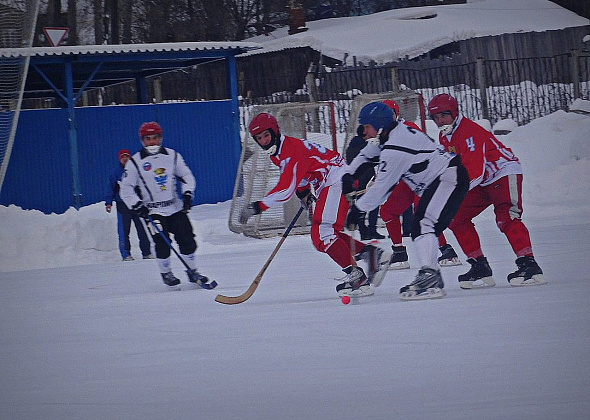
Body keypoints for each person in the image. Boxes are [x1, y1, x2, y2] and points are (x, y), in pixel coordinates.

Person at [239, 113, 391, 298]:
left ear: (275, 132)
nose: (264, 141)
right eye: (259, 138)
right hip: (328, 182)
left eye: (266, 135)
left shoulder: (289, 150)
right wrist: (303, 193)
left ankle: (356, 275)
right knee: (324, 237)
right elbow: (301, 173)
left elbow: (286, 188)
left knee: (322, 233)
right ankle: (369, 256)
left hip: (335, 180)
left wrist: (258, 206)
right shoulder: (279, 152)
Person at [345, 102, 469, 300]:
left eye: (367, 126)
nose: (364, 132)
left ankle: (430, 276)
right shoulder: (392, 134)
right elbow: (369, 153)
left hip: (447, 178)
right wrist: (349, 175)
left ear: (379, 124)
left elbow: (381, 189)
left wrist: (358, 210)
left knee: (423, 224)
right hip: (442, 179)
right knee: (422, 226)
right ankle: (431, 273)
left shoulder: (395, 147)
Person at [427, 93, 547, 288]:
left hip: (502, 172)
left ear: (455, 113)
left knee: (506, 216)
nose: (440, 121)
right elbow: (453, 165)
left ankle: (528, 263)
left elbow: (474, 169)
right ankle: (479, 265)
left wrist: (452, 192)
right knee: (455, 217)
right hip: (482, 180)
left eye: (444, 115)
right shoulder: (444, 135)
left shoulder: (469, 132)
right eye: (436, 117)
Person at [119, 121, 214, 289]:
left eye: (155, 138)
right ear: (142, 140)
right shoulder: (135, 162)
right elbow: (126, 188)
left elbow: (186, 176)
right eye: (148, 139)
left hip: (175, 207)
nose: (152, 142)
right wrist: (136, 205)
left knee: (188, 240)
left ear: (160, 138)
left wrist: (187, 193)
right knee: (162, 243)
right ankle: (166, 273)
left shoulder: (172, 156)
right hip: (152, 211)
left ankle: (192, 272)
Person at [105, 149, 153, 261]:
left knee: (142, 229)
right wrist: (109, 202)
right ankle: (126, 254)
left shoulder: (136, 170)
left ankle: (146, 252)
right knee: (124, 231)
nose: (125, 159)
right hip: (122, 206)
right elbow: (110, 188)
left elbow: (143, 185)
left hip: (136, 204)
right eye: (123, 157)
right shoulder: (115, 173)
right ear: (119, 159)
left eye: (127, 156)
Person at [344, 124, 384, 240]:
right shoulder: (366, 146)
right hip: (365, 179)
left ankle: (363, 231)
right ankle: (371, 229)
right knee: (372, 203)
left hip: (355, 180)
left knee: (360, 205)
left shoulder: (351, 147)